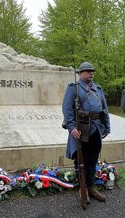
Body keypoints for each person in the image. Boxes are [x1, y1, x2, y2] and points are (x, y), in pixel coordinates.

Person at [62, 61, 110, 204]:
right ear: (80, 73)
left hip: (96, 128)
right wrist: (71, 127)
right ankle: (82, 188)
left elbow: (104, 109)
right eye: (88, 71)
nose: (91, 73)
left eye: (92, 71)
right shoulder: (73, 88)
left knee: (92, 159)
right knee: (81, 160)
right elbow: (67, 110)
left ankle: (91, 187)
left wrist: (107, 127)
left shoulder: (98, 88)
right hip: (81, 129)